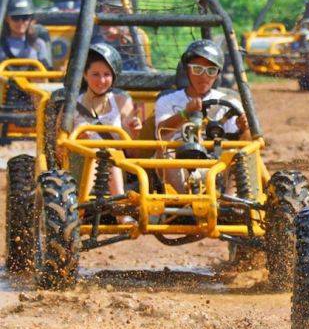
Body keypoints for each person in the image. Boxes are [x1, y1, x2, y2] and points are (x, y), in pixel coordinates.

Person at [155, 39, 250, 189]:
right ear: (187, 70)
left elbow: (245, 145)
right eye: (197, 69)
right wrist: (185, 114)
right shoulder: (168, 100)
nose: (204, 76)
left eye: (211, 71)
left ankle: (231, 203)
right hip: (179, 162)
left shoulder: (229, 102)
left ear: (218, 74)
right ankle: (183, 203)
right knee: (165, 148)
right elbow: (161, 131)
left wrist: (244, 129)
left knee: (239, 154)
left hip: (218, 163)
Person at [70, 43, 143, 220]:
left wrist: (134, 128)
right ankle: (77, 213)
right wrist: (79, 138)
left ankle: (117, 211)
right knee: (98, 153)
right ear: (85, 75)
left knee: (107, 154)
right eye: (95, 74)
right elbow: (61, 142)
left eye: (106, 75)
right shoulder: (71, 104)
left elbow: (131, 146)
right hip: (78, 162)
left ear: (113, 77)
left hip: (115, 161)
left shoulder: (121, 100)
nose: (101, 80)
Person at [0, 0, 52, 69]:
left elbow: (47, 74)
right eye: (16, 18)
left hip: (34, 80)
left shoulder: (38, 44)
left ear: (31, 19)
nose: (21, 22)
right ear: (7, 19)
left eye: (25, 18)